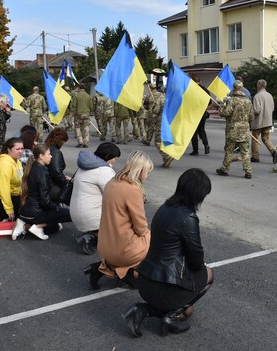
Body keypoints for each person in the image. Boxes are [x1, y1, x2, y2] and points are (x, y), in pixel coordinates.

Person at [123, 168, 214, 337]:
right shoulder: (188, 217)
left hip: (144, 280)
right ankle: (171, 316)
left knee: (187, 310)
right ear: (197, 194)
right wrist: (201, 266)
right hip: (165, 286)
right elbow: (196, 257)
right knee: (209, 274)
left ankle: (143, 310)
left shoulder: (164, 207)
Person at [85, 150, 153, 289]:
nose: (147, 175)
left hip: (105, 245)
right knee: (153, 240)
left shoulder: (112, 181)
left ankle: (102, 268)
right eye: (147, 171)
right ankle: (126, 273)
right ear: (140, 171)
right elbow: (140, 227)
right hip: (122, 250)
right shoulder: (133, 190)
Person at [14, 144, 72, 240]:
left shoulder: (32, 168)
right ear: (41, 156)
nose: (51, 156)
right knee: (71, 214)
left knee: (54, 227)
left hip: (26, 211)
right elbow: (45, 201)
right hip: (35, 213)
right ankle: (36, 226)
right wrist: (56, 207)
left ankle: (27, 225)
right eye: (49, 154)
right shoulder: (42, 172)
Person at [71, 142, 121, 254]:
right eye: (115, 158)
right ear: (108, 157)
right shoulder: (104, 171)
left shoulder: (85, 165)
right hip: (90, 217)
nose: (115, 161)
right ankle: (93, 236)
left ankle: (94, 233)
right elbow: (114, 194)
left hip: (76, 212)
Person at [216, 80, 254, 179]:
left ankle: (225, 169)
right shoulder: (248, 101)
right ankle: (248, 171)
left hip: (232, 130)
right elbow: (251, 116)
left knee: (229, 150)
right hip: (244, 130)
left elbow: (225, 113)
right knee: (245, 151)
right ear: (242, 88)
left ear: (233, 88)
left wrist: (222, 106)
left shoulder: (231, 100)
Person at [0, 138, 24, 232]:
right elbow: (4, 189)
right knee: (22, 222)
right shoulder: (5, 164)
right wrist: (9, 210)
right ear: (9, 149)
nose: (20, 151)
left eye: (22, 149)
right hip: (0, 199)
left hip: (13, 195)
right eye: (17, 149)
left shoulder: (16, 161)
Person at [250, 79, 277, 164]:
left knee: (255, 139)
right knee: (265, 138)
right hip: (268, 121)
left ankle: (255, 157)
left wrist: (251, 116)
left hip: (258, 121)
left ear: (259, 85)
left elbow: (256, 110)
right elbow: (272, 108)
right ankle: (273, 151)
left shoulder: (257, 96)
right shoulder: (269, 95)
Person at [44, 127, 70, 200]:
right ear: (60, 141)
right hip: (52, 185)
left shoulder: (46, 147)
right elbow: (56, 173)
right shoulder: (55, 152)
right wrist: (65, 184)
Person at [189, 81, 211, 156]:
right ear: (200, 81)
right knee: (201, 130)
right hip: (202, 112)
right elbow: (210, 101)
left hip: (194, 113)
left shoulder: (192, 90)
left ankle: (195, 150)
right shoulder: (205, 90)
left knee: (194, 131)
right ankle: (206, 145)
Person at [71, 83, 92, 148]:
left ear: (79, 88)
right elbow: (91, 106)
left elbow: (73, 105)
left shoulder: (76, 95)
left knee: (78, 128)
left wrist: (73, 112)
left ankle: (80, 142)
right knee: (86, 128)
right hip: (86, 114)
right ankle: (86, 142)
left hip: (78, 114)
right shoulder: (88, 96)